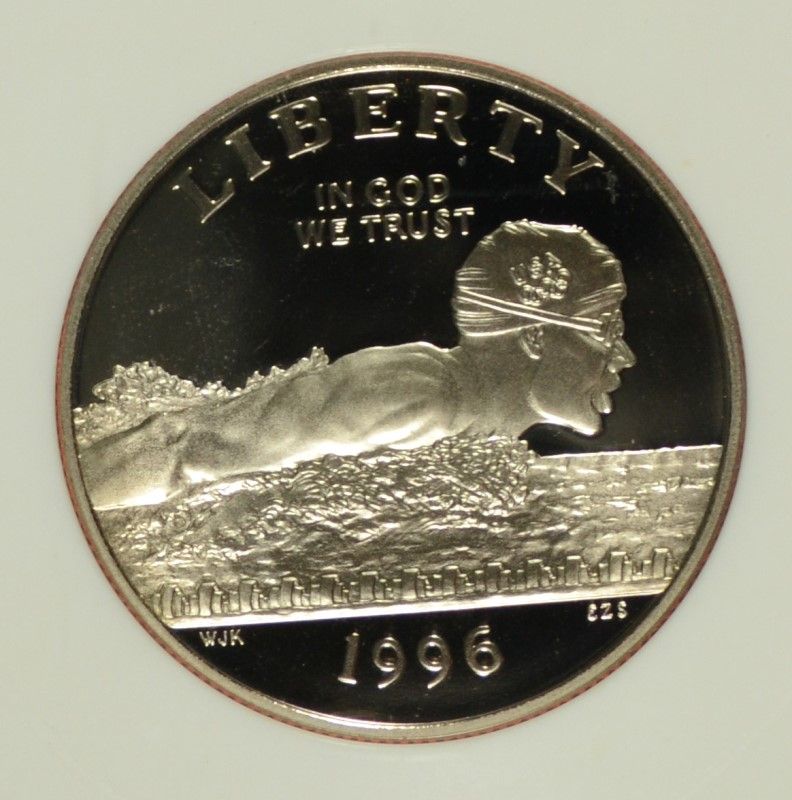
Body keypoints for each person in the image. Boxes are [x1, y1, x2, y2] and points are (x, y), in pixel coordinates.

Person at [79, 220, 635, 510]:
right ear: (536, 335)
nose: (624, 354)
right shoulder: (422, 397)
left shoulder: (467, 425)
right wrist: (61, 512)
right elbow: (188, 445)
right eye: (608, 328)